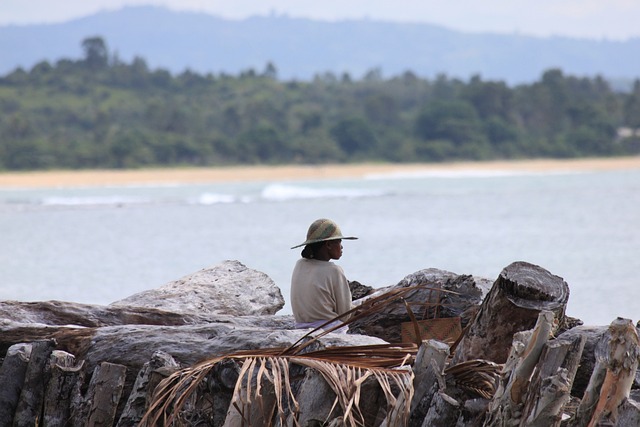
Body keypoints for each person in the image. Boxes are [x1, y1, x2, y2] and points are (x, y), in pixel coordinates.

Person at [290, 218, 357, 331]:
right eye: (339, 241)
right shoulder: (334, 270)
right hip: (329, 330)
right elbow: (344, 316)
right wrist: (359, 309)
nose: (341, 246)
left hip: (300, 328)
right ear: (328, 245)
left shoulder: (299, 265)